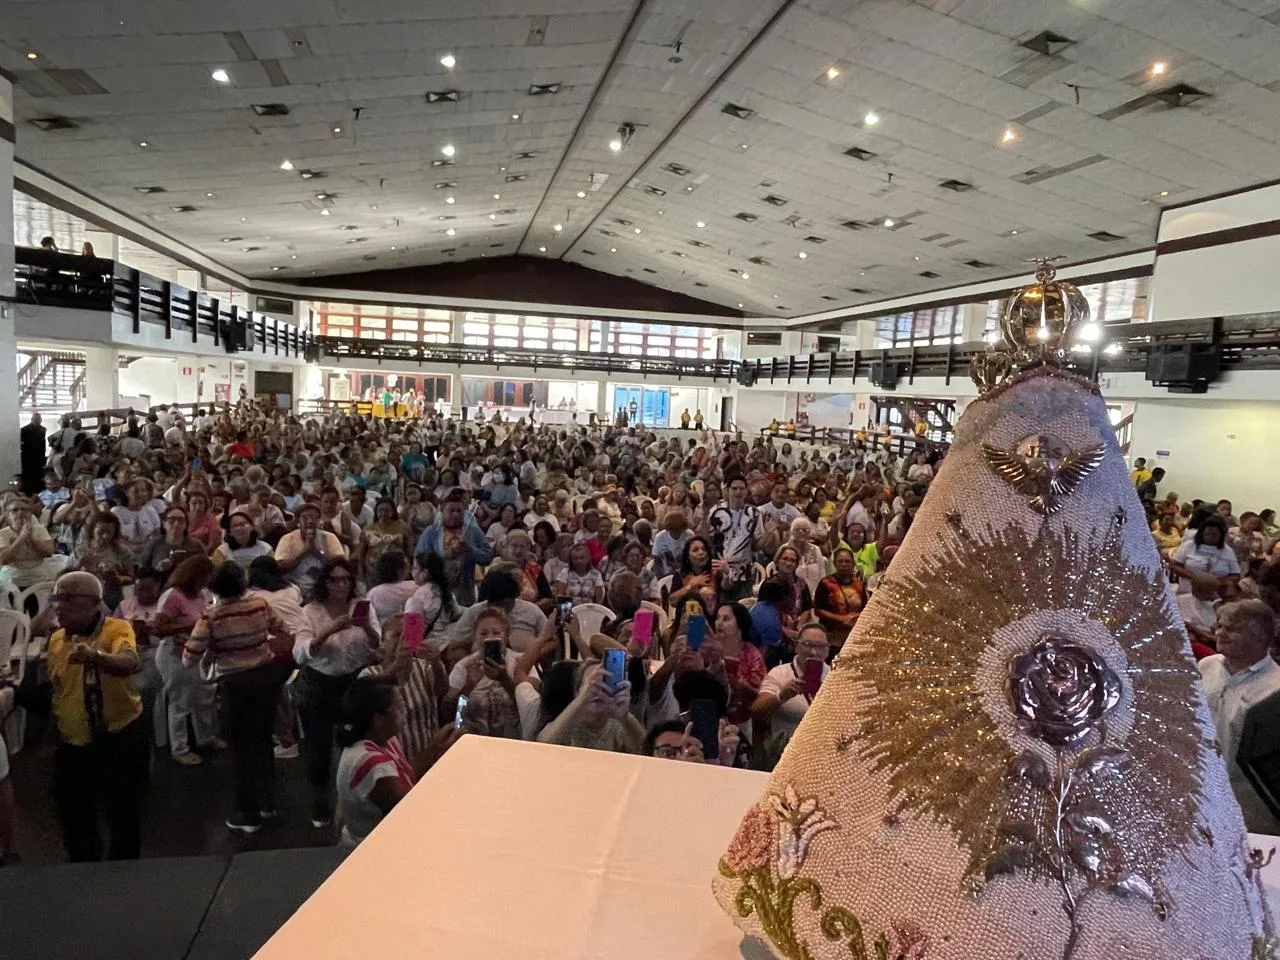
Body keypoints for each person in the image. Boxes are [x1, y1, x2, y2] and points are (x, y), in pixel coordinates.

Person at [44, 571, 146, 861]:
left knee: (122, 814)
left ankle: (124, 881)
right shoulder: (56, 641)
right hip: (72, 743)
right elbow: (58, 689)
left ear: (93, 603)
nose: (58, 607)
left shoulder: (116, 630)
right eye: (55, 600)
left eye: (66, 599)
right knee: (74, 818)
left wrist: (96, 657)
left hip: (117, 737)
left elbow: (130, 661)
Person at [186, 561, 294, 833]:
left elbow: (189, 658)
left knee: (241, 750)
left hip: (235, 684)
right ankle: (270, 805)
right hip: (265, 679)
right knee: (263, 742)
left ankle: (248, 813)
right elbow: (283, 630)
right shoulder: (259, 605)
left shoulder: (211, 617)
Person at [296, 558, 381, 827]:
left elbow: (376, 643)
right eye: (335, 580)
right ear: (325, 582)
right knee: (319, 747)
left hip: (354, 681)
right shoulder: (311, 611)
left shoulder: (362, 606)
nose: (341, 585)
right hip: (321, 682)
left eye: (346, 579)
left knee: (357, 744)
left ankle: (357, 802)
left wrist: (365, 626)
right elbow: (300, 652)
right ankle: (320, 805)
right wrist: (327, 632)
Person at [1198, 599, 1280, 833]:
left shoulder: (1276, 689)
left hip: (1250, 807)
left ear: (1260, 638)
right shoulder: (1207, 666)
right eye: (1220, 626)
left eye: (1232, 629)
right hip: (1202, 792)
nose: (1221, 634)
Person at [153, 555, 219, 765]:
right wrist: (190, 625)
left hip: (195, 651)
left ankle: (205, 737)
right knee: (179, 701)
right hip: (174, 653)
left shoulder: (200, 595)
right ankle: (179, 748)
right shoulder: (172, 595)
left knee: (202, 696)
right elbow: (160, 628)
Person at [751, 622, 832, 744]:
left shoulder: (835, 676)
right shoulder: (779, 673)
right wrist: (781, 696)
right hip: (786, 746)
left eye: (820, 647)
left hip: (824, 746)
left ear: (827, 650)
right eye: (807, 645)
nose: (814, 652)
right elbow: (757, 711)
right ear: (796, 646)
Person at [414, 491, 494, 606]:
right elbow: (420, 559)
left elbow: (488, 557)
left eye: (459, 511)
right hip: (436, 592)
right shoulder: (431, 532)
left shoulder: (473, 531)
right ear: (442, 511)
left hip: (464, 593)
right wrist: (445, 555)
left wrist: (470, 550)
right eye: (451, 511)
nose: (455, 514)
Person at [274, 501, 346, 602]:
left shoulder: (329, 537)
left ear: (319, 520)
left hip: (325, 586)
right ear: (298, 520)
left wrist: (316, 552)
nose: (310, 521)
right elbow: (280, 568)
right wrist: (304, 552)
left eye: (314, 517)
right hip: (295, 588)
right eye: (305, 517)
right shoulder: (287, 539)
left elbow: (340, 566)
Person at [707, 475, 762, 602]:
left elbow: (756, 546)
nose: (738, 492)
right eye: (734, 488)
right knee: (722, 609)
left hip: (745, 572)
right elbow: (710, 540)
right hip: (720, 570)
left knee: (742, 610)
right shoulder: (716, 511)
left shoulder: (754, 513)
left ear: (747, 491)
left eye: (741, 489)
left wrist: (769, 533)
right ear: (727, 490)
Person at [0, 497, 63, 588]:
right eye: (15, 510)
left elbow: (49, 552)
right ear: (8, 516)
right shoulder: (2, 534)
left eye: (24, 509)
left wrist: (32, 540)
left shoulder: (40, 530)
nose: (20, 513)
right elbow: (3, 559)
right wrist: (21, 538)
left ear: (30, 514)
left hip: (37, 579)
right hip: (11, 580)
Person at [1170, 517, 1239, 594]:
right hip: (1188, 588)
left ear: (1221, 535)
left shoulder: (1228, 550)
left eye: (1215, 535)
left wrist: (1219, 581)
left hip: (1217, 591)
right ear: (1201, 534)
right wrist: (1197, 578)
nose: (1210, 538)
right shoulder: (1189, 545)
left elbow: (1235, 575)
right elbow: (1174, 566)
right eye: (1207, 534)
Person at [814, 546, 866, 646]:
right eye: (840, 561)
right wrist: (842, 618)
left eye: (847, 561)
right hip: (831, 635)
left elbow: (865, 608)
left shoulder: (859, 584)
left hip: (853, 635)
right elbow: (818, 610)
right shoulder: (825, 583)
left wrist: (855, 618)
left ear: (853, 564)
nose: (844, 564)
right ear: (834, 563)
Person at [139, 504, 205, 576]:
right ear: (164, 523)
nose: (176, 524)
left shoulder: (196, 545)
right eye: (172, 520)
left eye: (181, 520)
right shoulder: (154, 544)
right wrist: (157, 569)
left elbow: (207, 569)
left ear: (186, 524)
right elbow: (141, 571)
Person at [555, 542, 605, 607]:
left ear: (588, 558)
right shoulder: (565, 572)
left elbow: (599, 601)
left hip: (589, 609)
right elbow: (560, 596)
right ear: (571, 560)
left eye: (582, 558)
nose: (579, 561)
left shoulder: (596, 574)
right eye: (575, 558)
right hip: (569, 608)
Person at [20, 412, 46, 495]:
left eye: (39, 419)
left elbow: (43, 445)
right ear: (32, 419)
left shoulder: (43, 429)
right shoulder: (24, 430)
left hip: (38, 458)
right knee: (28, 478)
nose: (38, 421)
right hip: (27, 458)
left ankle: (37, 494)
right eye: (36, 419)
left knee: (38, 477)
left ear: (41, 420)